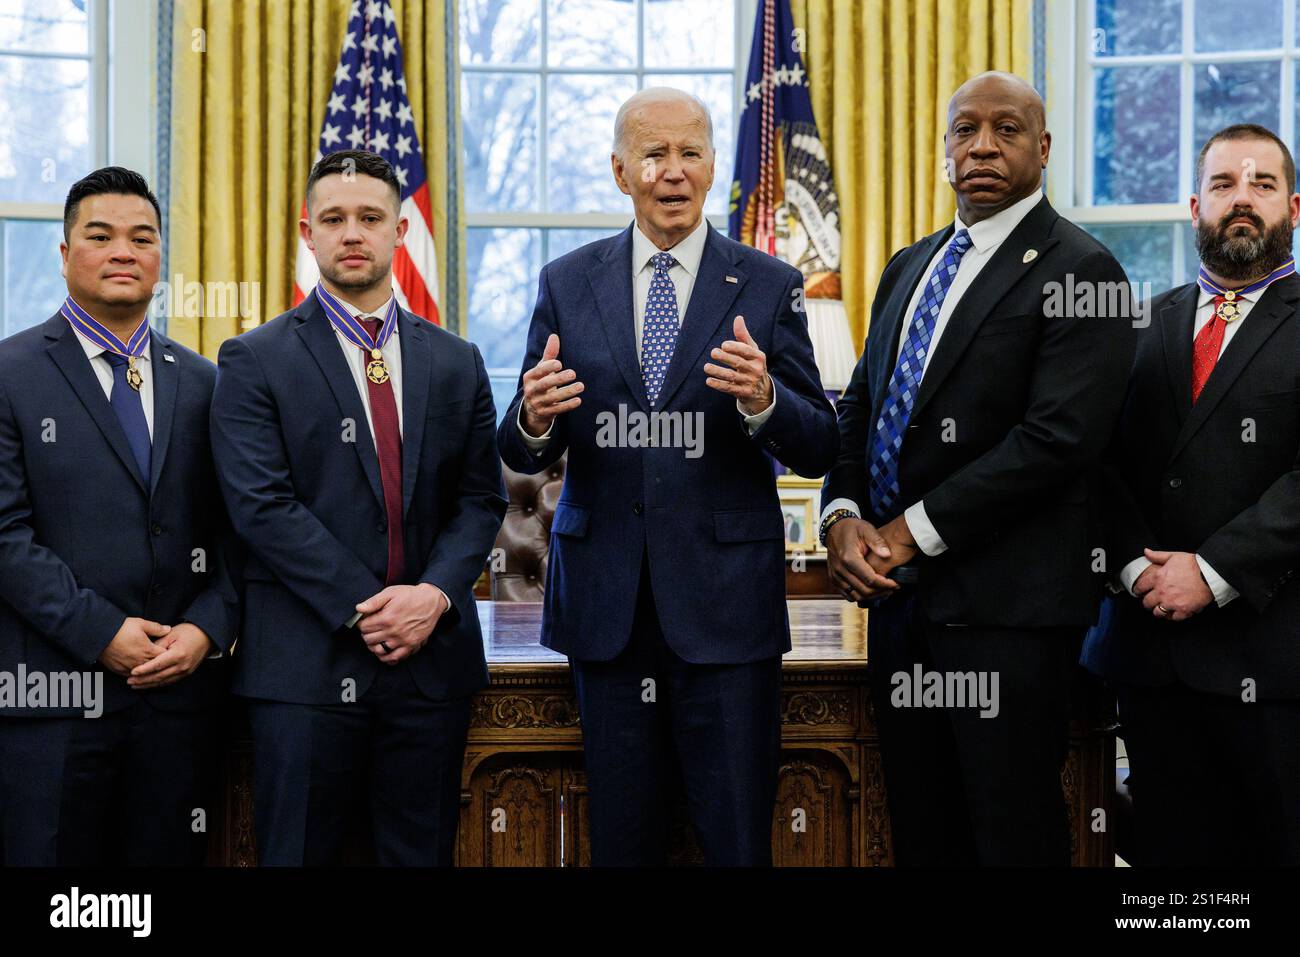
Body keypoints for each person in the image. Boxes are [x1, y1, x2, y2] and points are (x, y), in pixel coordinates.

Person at [498, 88, 838, 866]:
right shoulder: (565, 281)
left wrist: (765, 400)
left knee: (736, 840)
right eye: (654, 154)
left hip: (727, 613)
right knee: (624, 841)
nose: (673, 171)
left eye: (690, 153)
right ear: (621, 171)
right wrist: (537, 418)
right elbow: (518, 450)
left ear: (714, 166)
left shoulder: (767, 282)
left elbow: (821, 442)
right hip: (607, 613)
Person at [820, 72, 1135, 865]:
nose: (984, 146)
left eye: (1007, 129)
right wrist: (843, 514)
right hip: (900, 612)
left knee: (1011, 836)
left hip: (1007, 619)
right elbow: (861, 404)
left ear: (1044, 148)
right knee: (924, 834)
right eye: (966, 130)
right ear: (945, 151)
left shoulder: (1083, 270)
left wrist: (907, 533)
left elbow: (1056, 440)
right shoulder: (909, 263)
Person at [210, 149, 505, 865]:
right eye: (334, 219)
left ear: (400, 231)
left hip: (430, 667)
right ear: (307, 233)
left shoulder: (456, 358)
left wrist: (432, 597)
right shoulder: (254, 359)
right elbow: (262, 507)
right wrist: (373, 607)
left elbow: (480, 498)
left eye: (370, 218)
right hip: (307, 666)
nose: (353, 233)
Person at [0, 167, 237, 865]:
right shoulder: (11, 374)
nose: (123, 251)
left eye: (143, 237)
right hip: (52, 699)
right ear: (66, 250)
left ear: (162, 256)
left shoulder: (204, 381)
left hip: (180, 703)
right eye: (100, 236)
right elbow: (5, 537)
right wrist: (103, 632)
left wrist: (206, 628)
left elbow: (239, 532)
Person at [1088, 124, 1300, 866]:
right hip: (1149, 661)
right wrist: (1134, 568)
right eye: (1223, 185)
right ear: (1194, 206)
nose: (1241, 199)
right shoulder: (1141, 325)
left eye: (1262, 184)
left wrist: (1210, 573)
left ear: (1294, 209)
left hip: (1274, 665)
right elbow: (1092, 462)